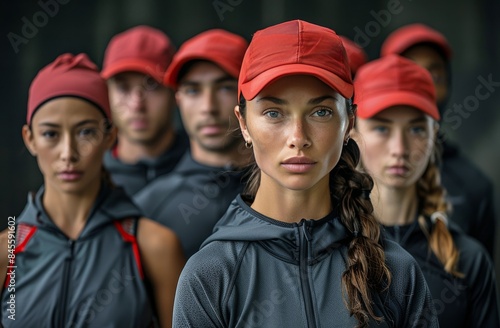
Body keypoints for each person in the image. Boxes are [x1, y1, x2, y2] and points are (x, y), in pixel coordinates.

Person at [173, 20, 438, 328]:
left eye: (320, 112)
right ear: (244, 123)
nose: (298, 136)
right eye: (274, 113)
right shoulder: (209, 276)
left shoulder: (396, 270)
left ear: (349, 123)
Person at [0, 53, 185, 327]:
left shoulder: (154, 246)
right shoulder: (7, 251)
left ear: (110, 137)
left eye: (86, 132)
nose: (68, 153)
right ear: (30, 139)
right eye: (51, 134)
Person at [352, 54, 499, 327]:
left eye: (416, 129)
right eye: (382, 128)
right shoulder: (328, 248)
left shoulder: (467, 259)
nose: (400, 149)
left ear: (435, 135)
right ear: (353, 133)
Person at [380, 23, 497, 256]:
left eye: (434, 75)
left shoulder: (472, 187)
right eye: (408, 72)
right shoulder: (345, 179)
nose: (423, 85)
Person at [134, 29, 251, 258]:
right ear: (178, 99)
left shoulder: (289, 191)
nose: (208, 106)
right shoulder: (148, 207)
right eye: (193, 90)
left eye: (225, 87)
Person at [101, 25, 189, 196]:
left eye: (152, 86)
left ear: (174, 92)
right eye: (123, 88)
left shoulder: (208, 169)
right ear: (106, 94)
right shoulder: (90, 180)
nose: (137, 105)